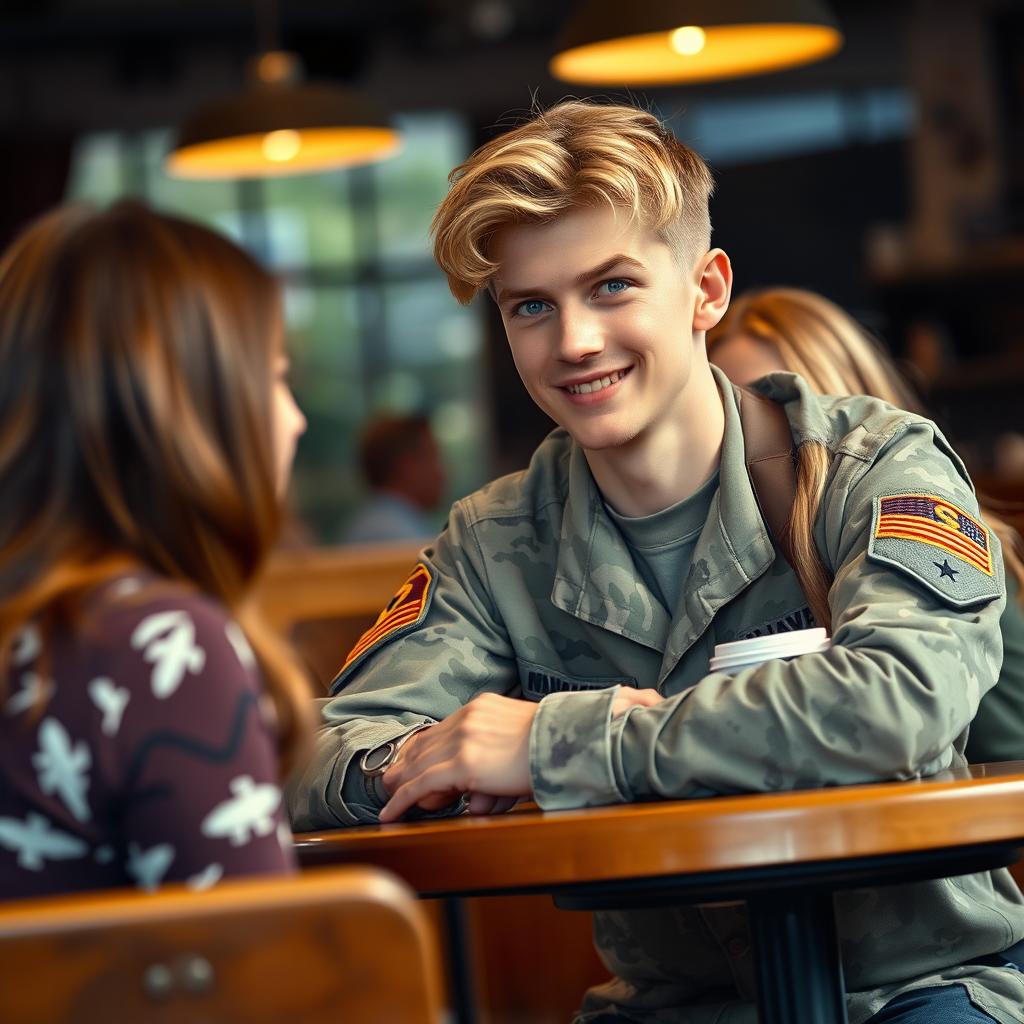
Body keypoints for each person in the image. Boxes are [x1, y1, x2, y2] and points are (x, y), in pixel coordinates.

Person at [288, 102, 1024, 1023]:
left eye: (612, 287)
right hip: (669, 1007)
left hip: (919, 990)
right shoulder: (494, 539)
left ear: (706, 290)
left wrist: (553, 744)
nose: (575, 342)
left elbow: (899, 701)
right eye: (531, 307)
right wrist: (435, 760)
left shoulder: (871, 467)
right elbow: (316, 762)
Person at [0, 201, 311, 898]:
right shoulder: (159, 646)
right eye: (274, 376)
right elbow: (250, 978)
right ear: (187, 412)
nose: (296, 419)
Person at [708, 286, 1024, 765]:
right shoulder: (746, 560)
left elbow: (1008, 765)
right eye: (740, 417)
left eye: (786, 409)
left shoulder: (949, 543)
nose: (763, 439)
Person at [341, 413, 446, 545]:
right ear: (406, 466)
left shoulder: (372, 524)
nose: (442, 473)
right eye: (433, 458)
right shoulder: (400, 536)